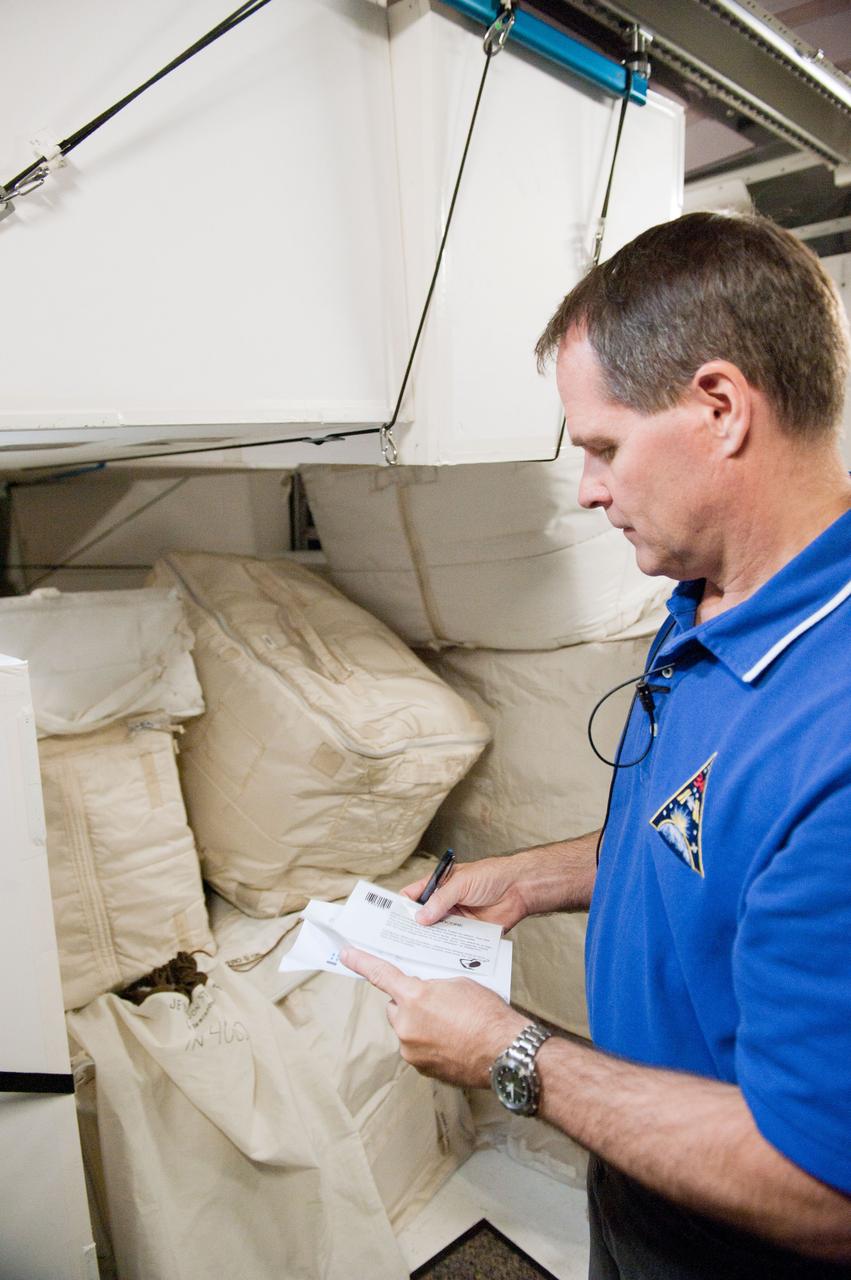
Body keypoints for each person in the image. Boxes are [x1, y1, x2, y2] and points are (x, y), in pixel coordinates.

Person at [342, 211, 851, 1278]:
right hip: (642, 1173)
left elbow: (823, 1188)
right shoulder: (711, 593)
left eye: (603, 446)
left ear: (717, 407)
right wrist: (530, 876)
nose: (585, 487)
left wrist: (509, 1051)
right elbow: (706, 832)